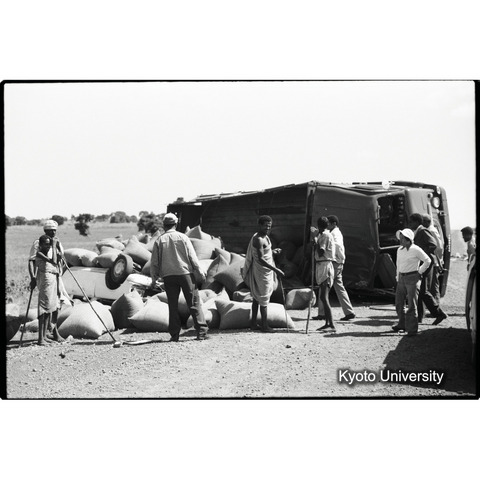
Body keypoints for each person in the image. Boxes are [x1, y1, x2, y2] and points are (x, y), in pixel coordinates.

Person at [150, 213, 209, 341]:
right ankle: (201, 332)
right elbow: (192, 256)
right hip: (185, 274)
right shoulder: (183, 237)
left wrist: (154, 279)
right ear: (176, 224)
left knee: (173, 306)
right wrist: (200, 272)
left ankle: (174, 335)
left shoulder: (159, 240)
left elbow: (154, 262)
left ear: (164, 225)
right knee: (193, 303)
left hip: (168, 276)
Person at [242, 215, 285, 333]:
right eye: (265, 226)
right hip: (261, 272)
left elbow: (264, 252)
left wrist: (272, 252)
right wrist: (276, 270)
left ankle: (253, 324)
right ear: (260, 225)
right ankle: (265, 326)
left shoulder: (265, 237)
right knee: (263, 298)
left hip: (265, 271)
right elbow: (261, 259)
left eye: (269, 226)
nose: (268, 228)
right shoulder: (258, 239)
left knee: (257, 298)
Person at [29, 219, 69, 342]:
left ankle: (53, 332)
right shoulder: (40, 243)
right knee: (45, 306)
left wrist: (62, 267)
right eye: (50, 231)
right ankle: (43, 336)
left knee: (56, 305)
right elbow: (32, 261)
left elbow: (61, 259)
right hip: (45, 276)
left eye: (54, 231)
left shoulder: (57, 242)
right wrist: (33, 277)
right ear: (45, 231)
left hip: (56, 275)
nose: (53, 233)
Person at [409, 213, 448, 325]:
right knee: (421, 291)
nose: (410, 224)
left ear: (417, 222)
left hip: (426, 263)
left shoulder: (423, 231)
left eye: (411, 222)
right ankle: (419, 317)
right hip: (423, 263)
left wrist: (421, 254)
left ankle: (439, 313)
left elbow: (433, 244)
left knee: (423, 291)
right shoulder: (418, 232)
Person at [392, 229, 432, 336]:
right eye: (400, 238)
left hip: (412, 278)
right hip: (402, 278)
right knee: (399, 303)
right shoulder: (400, 250)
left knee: (411, 305)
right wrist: (397, 277)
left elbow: (427, 260)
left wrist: (420, 271)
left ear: (408, 239)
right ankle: (402, 324)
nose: (400, 241)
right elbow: (398, 264)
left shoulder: (416, 249)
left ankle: (412, 329)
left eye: (403, 239)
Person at [326, 215, 356, 321]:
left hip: (335, 262)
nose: (327, 225)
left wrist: (335, 257)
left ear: (334, 223)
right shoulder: (333, 232)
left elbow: (337, 246)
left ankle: (322, 313)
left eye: (328, 223)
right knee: (339, 287)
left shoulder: (335, 233)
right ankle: (349, 311)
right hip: (337, 262)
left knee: (324, 286)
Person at [35, 235, 62, 345]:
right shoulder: (39, 253)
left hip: (52, 278)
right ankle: (40, 339)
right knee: (44, 308)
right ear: (40, 245)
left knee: (49, 308)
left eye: (49, 245)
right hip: (46, 279)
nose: (48, 247)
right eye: (46, 244)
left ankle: (44, 336)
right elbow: (54, 261)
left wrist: (57, 248)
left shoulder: (48, 253)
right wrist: (54, 246)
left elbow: (58, 259)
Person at [311, 216, 336, 331]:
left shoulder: (325, 235)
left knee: (324, 297)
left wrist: (315, 239)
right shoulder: (323, 234)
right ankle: (327, 323)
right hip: (322, 265)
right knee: (323, 297)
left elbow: (321, 251)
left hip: (325, 266)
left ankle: (331, 324)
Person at [422, 214, 444, 304]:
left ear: (427, 222)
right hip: (434, 261)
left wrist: (437, 261)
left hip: (434, 262)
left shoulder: (431, 231)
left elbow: (439, 247)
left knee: (433, 285)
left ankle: (436, 305)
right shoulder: (429, 230)